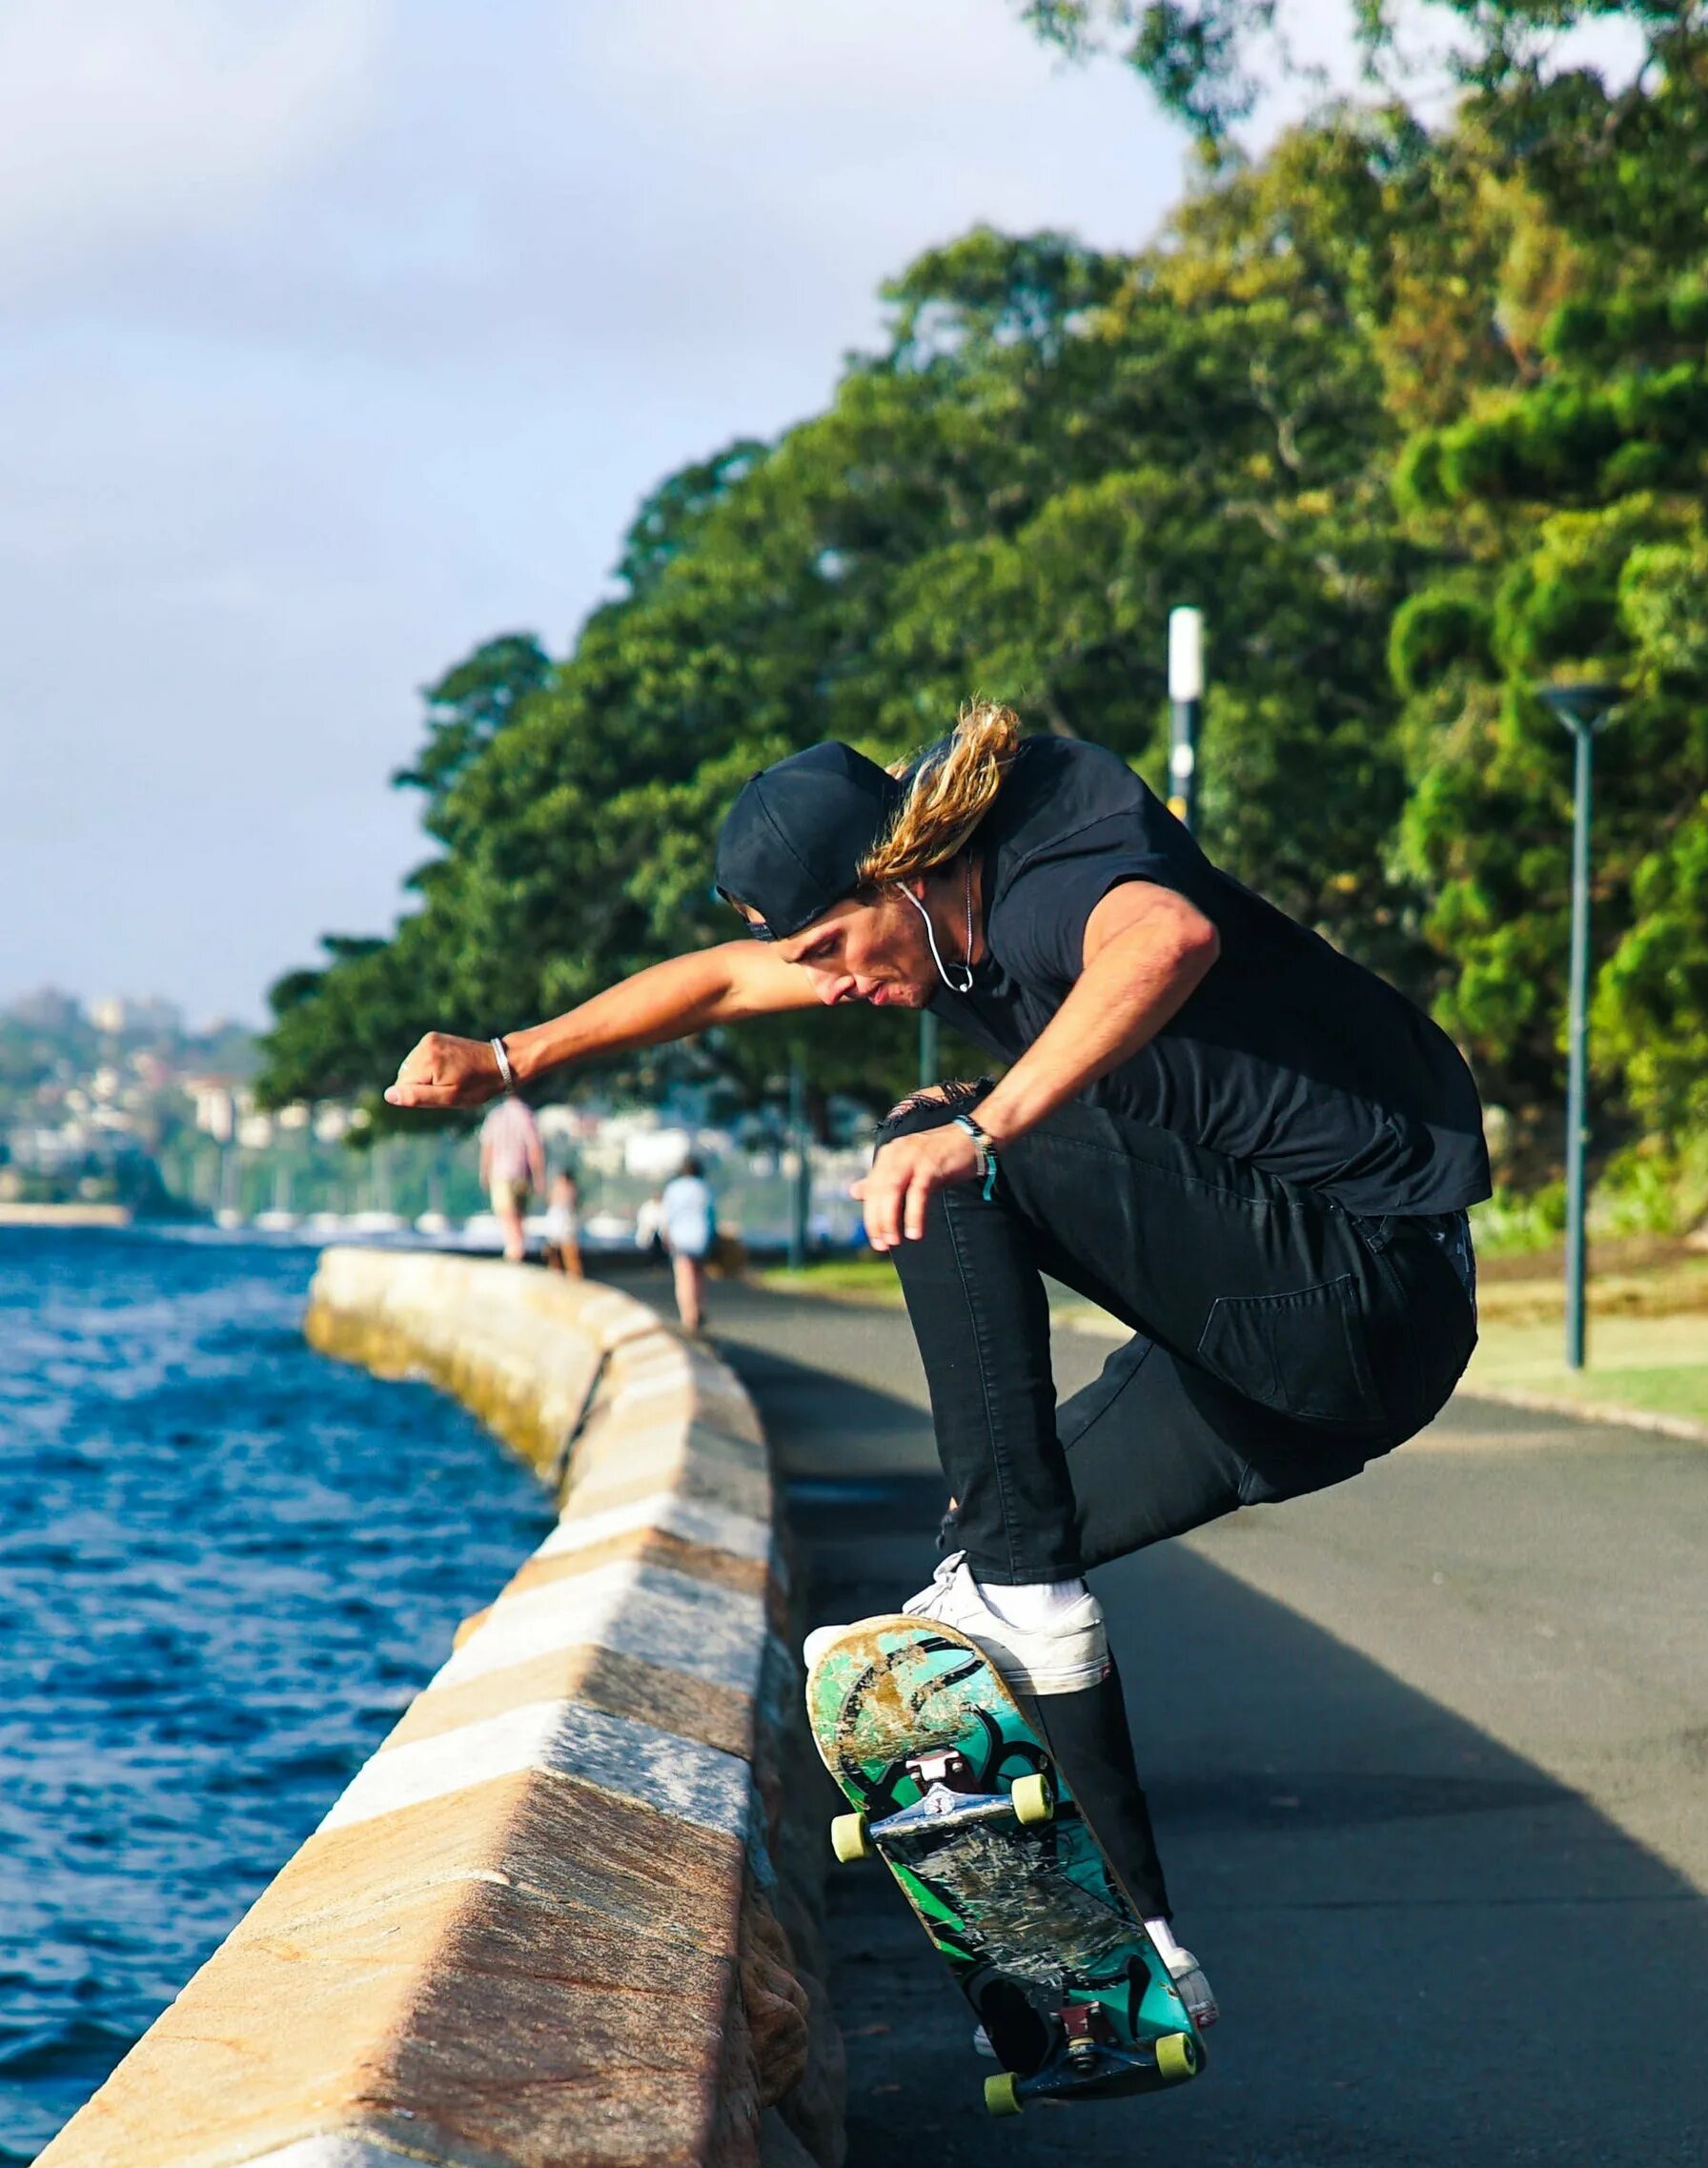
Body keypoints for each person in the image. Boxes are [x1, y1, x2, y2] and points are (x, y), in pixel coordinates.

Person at [385, 703, 1489, 2034]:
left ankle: (1018, 1587)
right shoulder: (907, 913)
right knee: (986, 1573)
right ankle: (1142, 1952)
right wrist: (509, 1059)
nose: (836, 987)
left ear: (900, 876)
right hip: (1277, 1382)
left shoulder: (1054, 869)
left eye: (838, 951)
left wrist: (989, 1125)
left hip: (1361, 1288)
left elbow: (1168, 940)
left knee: (935, 1141)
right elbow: (726, 982)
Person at [477, 1088, 544, 1262]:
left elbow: (488, 1147)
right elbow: (534, 1149)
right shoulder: (526, 1115)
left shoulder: (495, 1116)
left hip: (500, 1172)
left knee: (506, 1213)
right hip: (521, 1172)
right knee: (519, 1215)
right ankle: (517, 1248)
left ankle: (514, 1250)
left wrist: (484, 1172)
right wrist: (538, 1176)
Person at [660, 1154, 716, 1332]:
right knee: (698, 1274)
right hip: (701, 1237)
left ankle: (688, 1315)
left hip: (681, 1238)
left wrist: (665, 1237)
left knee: (684, 1276)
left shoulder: (673, 1188)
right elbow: (711, 1215)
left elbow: (666, 1217)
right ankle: (699, 1308)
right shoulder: (703, 1188)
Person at [544, 1165, 583, 1281]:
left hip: (566, 1225)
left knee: (569, 1252)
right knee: (553, 1252)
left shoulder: (570, 1190)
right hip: (556, 1225)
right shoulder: (555, 1190)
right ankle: (556, 1273)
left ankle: (574, 1276)